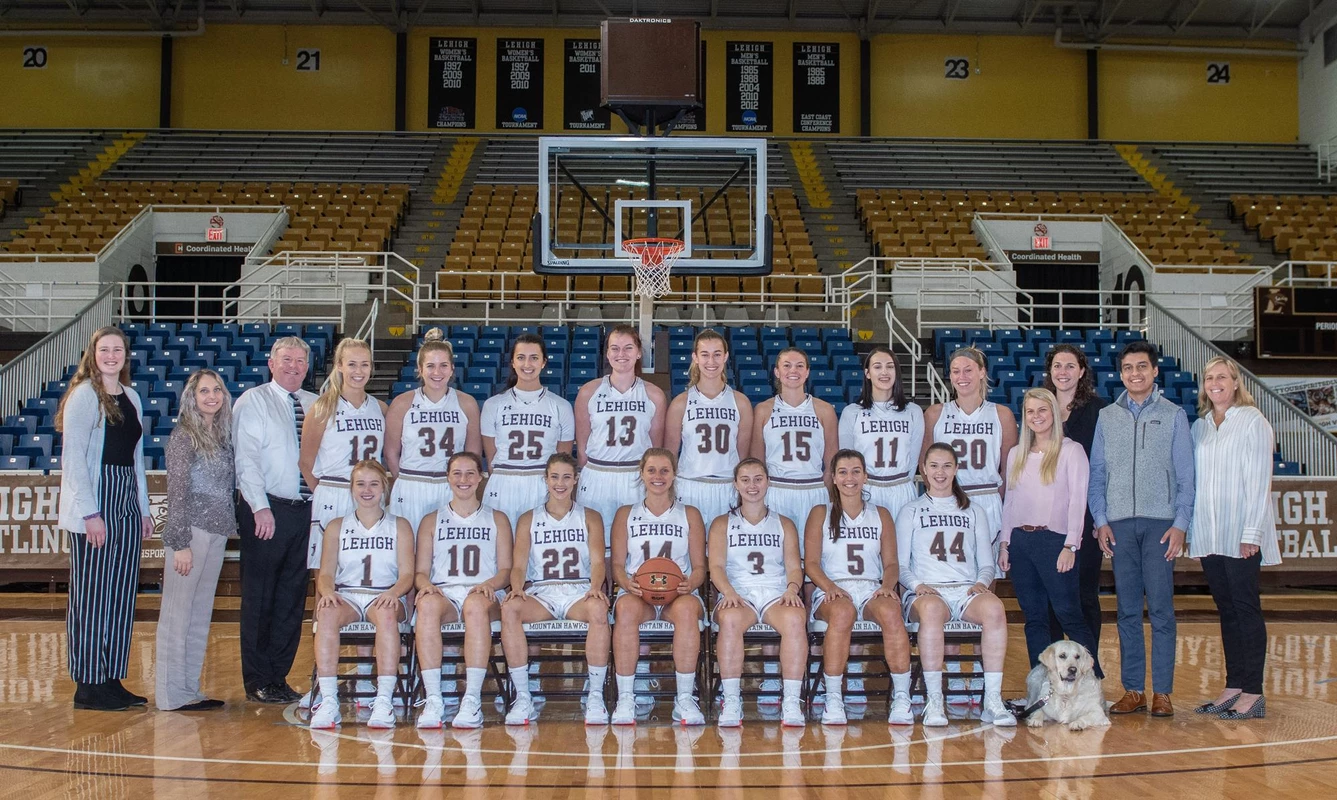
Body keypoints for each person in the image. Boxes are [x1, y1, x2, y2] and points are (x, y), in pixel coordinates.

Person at [1090, 339, 1195, 718]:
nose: (1135, 373)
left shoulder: (1173, 415)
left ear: (1154, 371)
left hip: (1161, 526)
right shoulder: (1107, 416)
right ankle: (1133, 689)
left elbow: (1186, 475)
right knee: (1127, 611)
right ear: (1121, 374)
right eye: (1128, 368)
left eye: (1142, 367)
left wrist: (1181, 523)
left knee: (1163, 611)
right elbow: (1097, 472)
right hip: (1118, 526)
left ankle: (1162, 692)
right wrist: (1100, 519)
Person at [56, 325, 153, 712]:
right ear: (93, 354)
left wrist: (143, 509)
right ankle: (88, 683)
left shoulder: (131, 396)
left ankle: (111, 677)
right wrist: (90, 513)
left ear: (126, 356)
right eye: (104, 349)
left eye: (118, 350)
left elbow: (137, 459)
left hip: (126, 497)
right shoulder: (83, 396)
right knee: (92, 595)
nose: (111, 355)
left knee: (121, 594)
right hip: (96, 502)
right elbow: (74, 460)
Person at [896, 442, 1014, 728]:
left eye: (947, 465)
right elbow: (898, 565)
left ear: (956, 469)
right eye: (934, 466)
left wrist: (982, 582)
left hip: (964, 589)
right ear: (923, 470)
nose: (940, 472)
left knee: (996, 610)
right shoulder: (911, 510)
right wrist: (917, 585)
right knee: (933, 612)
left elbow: (987, 564)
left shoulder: (974, 511)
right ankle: (935, 700)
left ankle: (992, 701)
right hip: (926, 590)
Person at [1188, 356, 1280, 721]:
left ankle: (1253, 692)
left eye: (1222, 376)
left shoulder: (1253, 422)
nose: (1215, 383)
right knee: (1226, 610)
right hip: (1211, 533)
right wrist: (1196, 534)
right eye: (1209, 377)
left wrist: (1252, 533)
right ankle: (1234, 686)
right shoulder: (1201, 427)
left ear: (1236, 382)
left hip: (1241, 532)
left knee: (1245, 609)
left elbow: (1260, 482)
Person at [922, 346, 1016, 696]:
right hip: (948, 503)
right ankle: (945, 681)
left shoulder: (1001, 414)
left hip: (988, 501)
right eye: (955, 371)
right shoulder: (935, 413)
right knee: (945, 588)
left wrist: (1005, 526)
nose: (961, 377)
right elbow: (926, 463)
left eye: (968, 370)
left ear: (982, 373)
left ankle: (977, 677)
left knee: (982, 593)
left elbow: (1009, 470)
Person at [802, 449, 913, 726]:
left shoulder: (881, 514)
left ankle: (902, 697)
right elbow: (811, 564)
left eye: (855, 471)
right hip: (833, 588)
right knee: (842, 613)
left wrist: (887, 587)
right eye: (843, 472)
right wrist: (829, 587)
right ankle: (833, 697)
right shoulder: (820, 513)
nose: (849, 478)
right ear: (833, 478)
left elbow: (891, 563)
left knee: (891, 613)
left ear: (865, 476)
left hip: (870, 587)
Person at [232, 336, 316, 704]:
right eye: (286, 359)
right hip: (267, 510)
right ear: (271, 363)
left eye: (300, 360)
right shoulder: (253, 401)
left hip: (307, 511)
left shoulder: (315, 404)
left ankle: (278, 676)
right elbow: (245, 458)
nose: (293, 366)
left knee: (292, 599)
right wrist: (258, 506)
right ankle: (257, 679)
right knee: (260, 596)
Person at [500, 453, 610, 726]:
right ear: (545, 480)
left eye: (566, 477)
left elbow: (598, 561)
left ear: (576, 480)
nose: (560, 483)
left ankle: (595, 694)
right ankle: (523, 695)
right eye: (554, 477)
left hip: (578, 590)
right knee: (510, 607)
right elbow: (519, 565)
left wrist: (596, 588)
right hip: (543, 592)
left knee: (598, 607)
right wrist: (515, 588)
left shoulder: (590, 516)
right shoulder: (529, 518)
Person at [998, 388, 1101, 676]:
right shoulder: (1017, 454)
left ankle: (1091, 680)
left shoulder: (1071, 451)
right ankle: (1040, 684)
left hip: (1055, 543)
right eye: (1030, 411)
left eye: (1042, 410)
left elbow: (1079, 502)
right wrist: (1005, 543)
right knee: (1034, 619)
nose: (1036, 416)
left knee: (1069, 615)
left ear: (1053, 413)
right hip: (1021, 542)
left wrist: (1071, 546)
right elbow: (1010, 502)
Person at [308, 460, 415, 729]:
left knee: (387, 615)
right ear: (352, 488)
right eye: (361, 484)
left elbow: (407, 575)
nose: (367, 490)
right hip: (350, 595)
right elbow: (326, 572)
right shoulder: (335, 526)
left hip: (385, 594)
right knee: (327, 612)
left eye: (374, 484)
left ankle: (383, 699)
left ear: (385, 488)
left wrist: (394, 592)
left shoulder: (399, 525)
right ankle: (330, 700)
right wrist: (327, 592)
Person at [412, 451, 513, 730]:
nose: (463, 479)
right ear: (448, 477)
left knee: (475, 606)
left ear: (481, 477)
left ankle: (471, 698)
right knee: (428, 605)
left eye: (470, 473)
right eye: (457, 473)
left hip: (485, 593)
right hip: (446, 593)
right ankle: (434, 699)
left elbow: (506, 571)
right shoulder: (432, 520)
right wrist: (427, 587)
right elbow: (420, 573)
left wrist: (489, 585)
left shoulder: (498, 518)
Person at [155, 369, 235, 712]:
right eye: (204, 391)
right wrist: (180, 541)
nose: (212, 396)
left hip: (216, 534)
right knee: (177, 615)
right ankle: (170, 694)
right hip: (190, 533)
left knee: (199, 615)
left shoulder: (221, 436)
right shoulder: (183, 437)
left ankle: (189, 689)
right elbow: (177, 493)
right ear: (192, 397)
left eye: (217, 390)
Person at [608, 448, 707, 726]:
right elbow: (617, 564)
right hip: (639, 594)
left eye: (665, 470)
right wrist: (625, 582)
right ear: (641, 474)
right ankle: (627, 697)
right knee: (625, 608)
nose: (658, 476)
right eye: (651, 470)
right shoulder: (626, 514)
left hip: (679, 594)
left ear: (674, 474)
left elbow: (700, 566)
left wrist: (691, 584)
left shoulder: (690, 514)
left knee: (688, 611)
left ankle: (685, 699)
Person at [709, 458, 808, 728]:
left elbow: (793, 566)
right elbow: (715, 566)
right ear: (735, 485)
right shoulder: (722, 523)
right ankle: (731, 700)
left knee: (796, 619)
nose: (752, 485)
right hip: (738, 592)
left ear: (768, 482)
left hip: (775, 591)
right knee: (729, 620)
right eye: (745, 479)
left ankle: (791, 701)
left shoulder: (784, 523)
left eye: (758, 479)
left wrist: (792, 588)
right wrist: (727, 591)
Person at [300, 337, 387, 570]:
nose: (358, 371)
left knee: (369, 570)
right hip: (334, 491)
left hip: (370, 495)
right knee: (327, 574)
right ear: (339, 365)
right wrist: (326, 492)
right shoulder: (323, 407)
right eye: (351, 364)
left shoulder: (380, 408)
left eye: (364, 364)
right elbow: (305, 463)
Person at [1042, 344, 1107, 648]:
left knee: (1084, 595)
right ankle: (1052, 678)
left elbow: (1107, 467)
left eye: (1070, 366)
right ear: (1049, 371)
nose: (1063, 372)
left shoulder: (1099, 410)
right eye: (1057, 366)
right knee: (1050, 595)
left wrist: (1101, 515)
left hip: (1086, 515)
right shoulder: (1040, 408)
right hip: (1046, 515)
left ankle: (1088, 671)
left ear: (1082, 371)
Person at [385, 328, 481, 531]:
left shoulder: (466, 403)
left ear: (452, 368)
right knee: (408, 551)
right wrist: (404, 481)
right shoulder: (402, 403)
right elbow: (391, 452)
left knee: (446, 552)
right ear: (420, 369)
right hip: (412, 483)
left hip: (450, 486)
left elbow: (473, 454)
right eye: (430, 366)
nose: (437, 372)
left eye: (443, 365)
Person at [575, 325, 668, 530]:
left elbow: (655, 447)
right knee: (597, 544)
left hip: (635, 475)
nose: (621, 354)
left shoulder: (654, 395)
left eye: (628, 348)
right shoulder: (588, 392)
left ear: (637, 353)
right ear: (607, 353)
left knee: (636, 543)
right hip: (597, 474)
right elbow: (582, 448)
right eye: (615, 348)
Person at [482, 335, 576, 527]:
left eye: (534, 357)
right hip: (503, 481)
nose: (527, 364)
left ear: (544, 363)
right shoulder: (493, 405)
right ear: (512, 362)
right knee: (500, 548)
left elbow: (562, 457)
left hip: (540, 483)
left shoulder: (561, 406)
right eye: (521, 357)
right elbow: (492, 457)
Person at [666, 329, 753, 524]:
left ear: (726, 356)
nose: (711, 361)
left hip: (727, 486)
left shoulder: (740, 402)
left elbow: (743, 455)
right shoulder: (681, 403)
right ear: (695, 357)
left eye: (717, 354)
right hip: (689, 485)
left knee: (725, 552)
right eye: (705, 355)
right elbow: (670, 455)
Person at [754, 347, 839, 545]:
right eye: (787, 365)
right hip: (776, 490)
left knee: (814, 553)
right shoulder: (764, 410)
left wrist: (820, 492)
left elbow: (832, 464)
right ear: (777, 372)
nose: (794, 371)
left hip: (813, 490)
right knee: (777, 553)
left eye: (800, 366)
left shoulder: (824, 410)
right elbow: (757, 461)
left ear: (807, 372)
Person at [838, 346, 924, 517]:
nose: (884, 372)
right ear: (867, 373)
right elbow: (847, 459)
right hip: (866, 490)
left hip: (901, 488)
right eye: (877, 367)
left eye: (890, 366)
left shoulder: (913, 412)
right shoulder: (852, 412)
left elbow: (913, 461)